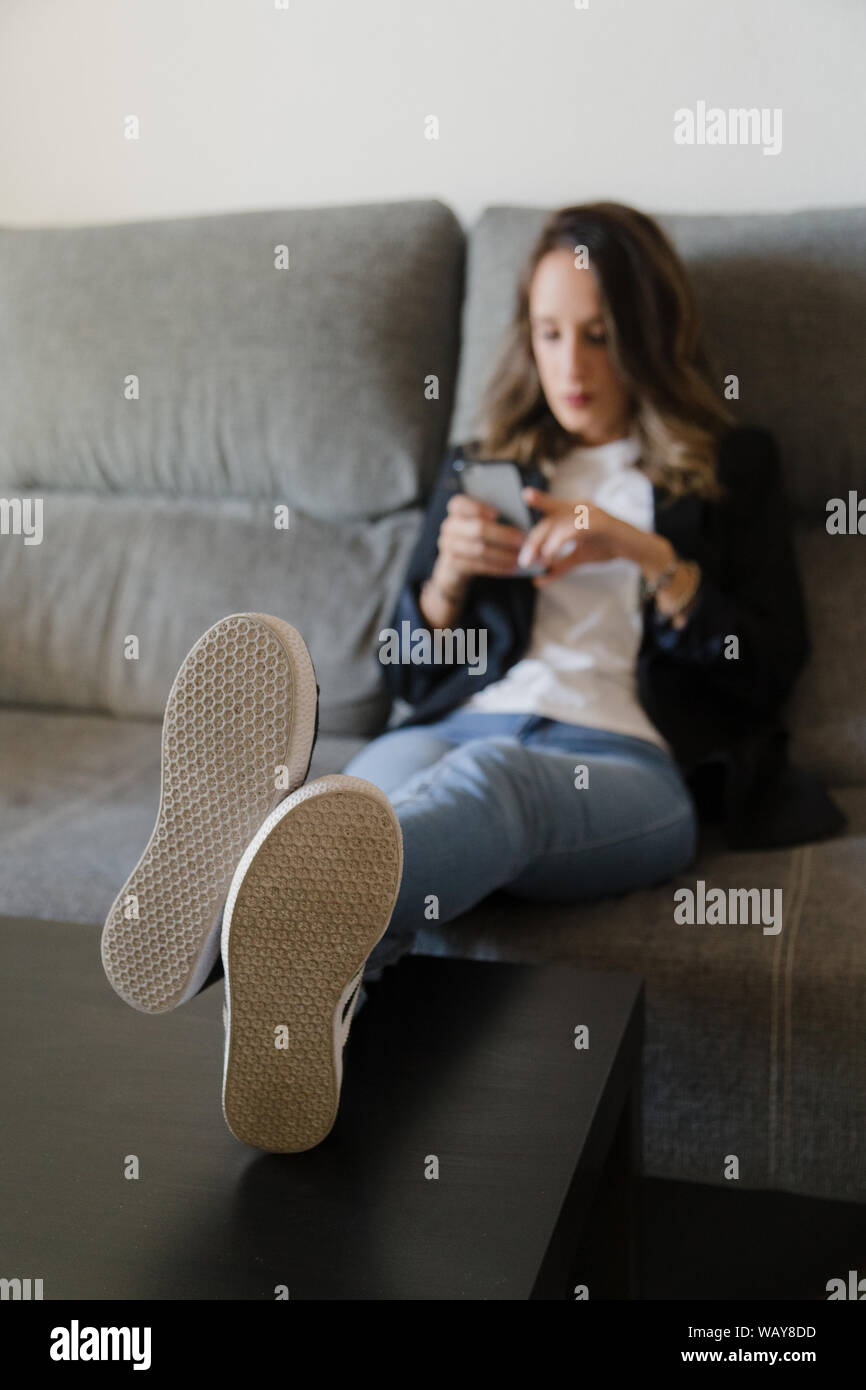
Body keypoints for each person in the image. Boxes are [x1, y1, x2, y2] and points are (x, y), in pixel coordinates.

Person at [101, 201, 845, 1155]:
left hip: (616, 758)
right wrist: (447, 583)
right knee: (350, 808)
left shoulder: (731, 467)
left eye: (600, 336)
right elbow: (405, 680)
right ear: (524, 337)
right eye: (549, 334)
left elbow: (769, 668)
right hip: (451, 723)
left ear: (651, 336)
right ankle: (307, 1003)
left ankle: (248, 910)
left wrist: (655, 559)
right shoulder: (481, 465)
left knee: (480, 792)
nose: (571, 366)